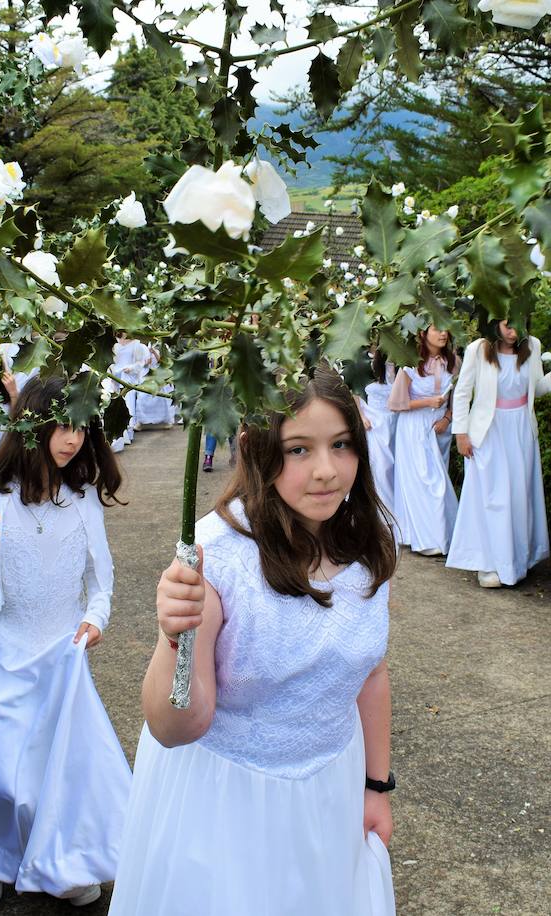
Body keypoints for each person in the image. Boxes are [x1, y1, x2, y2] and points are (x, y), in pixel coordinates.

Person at [109, 365, 398, 916]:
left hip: (331, 795)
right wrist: (173, 638)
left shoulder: (368, 543)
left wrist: (375, 787)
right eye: (297, 450)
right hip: (225, 809)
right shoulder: (216, 556)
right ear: (255, 450)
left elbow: (371, 674)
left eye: (341, 445)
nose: (325, 471)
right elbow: (175, 727)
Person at [0, 374, 131, 908]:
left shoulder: (83, 498)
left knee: (61, 768)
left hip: (60, 656)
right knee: (3, 777)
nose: (72, 439)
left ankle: (63, 860)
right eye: (62, 425)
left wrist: (97, 618)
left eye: (81, 428)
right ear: (33, 424)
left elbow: (100, 579)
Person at [448, 317, 551, 588]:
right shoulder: (478, 349)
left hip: (521, 430)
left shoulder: (533, 346)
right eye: (506, 324)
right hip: (489, 431)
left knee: (518, 496)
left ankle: (515, 560)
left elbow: (536, 388)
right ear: (494, 323)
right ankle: (490, 563)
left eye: (517, 324)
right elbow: (462, 392)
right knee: (493, 497)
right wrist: (461, 433)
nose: (512, 331)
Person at [388, 324, 460, 556]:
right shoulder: (410, 364)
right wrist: (428, 402)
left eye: (446, 329)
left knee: (440, 479)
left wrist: (447, 419)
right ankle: (428, 538)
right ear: (422, 333)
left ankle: (444, 534)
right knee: (426, 483)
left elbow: (456, 398)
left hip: (440, 428)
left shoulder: (454, 362)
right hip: (414, 428)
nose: (443, 333)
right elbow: (396, 404)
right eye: (437, 328)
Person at [357, 349, 398, 516]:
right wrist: (361, 415)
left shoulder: (396, 359)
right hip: (373, 421)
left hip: (395, 420)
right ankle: (383, 515)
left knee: (396, 469)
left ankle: (398, 513)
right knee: (381, 468)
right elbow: (355, 390)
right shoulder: (361, 359)